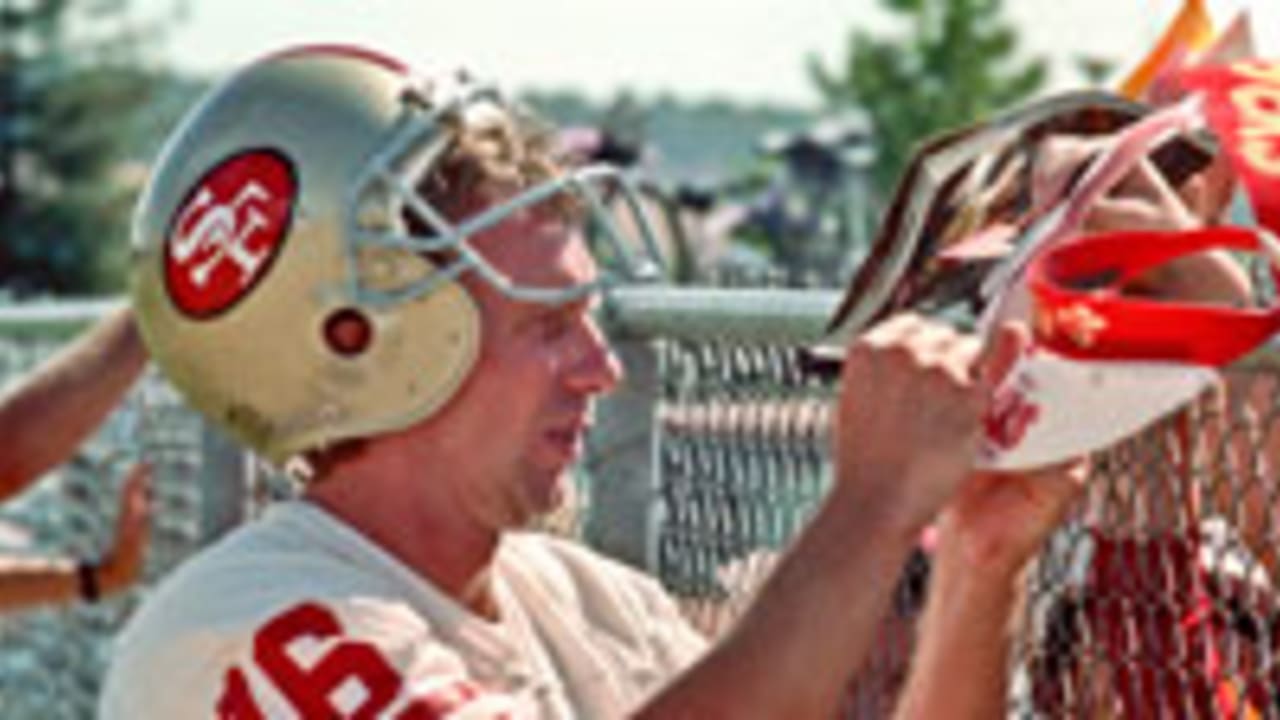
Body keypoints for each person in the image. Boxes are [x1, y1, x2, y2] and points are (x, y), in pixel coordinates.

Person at [100, 44, 1078, 718]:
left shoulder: (585, 601)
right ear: (374, 345)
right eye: (547, 326)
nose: (601, 368)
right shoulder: (246, 628)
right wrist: (867, 501)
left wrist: (974, 568)